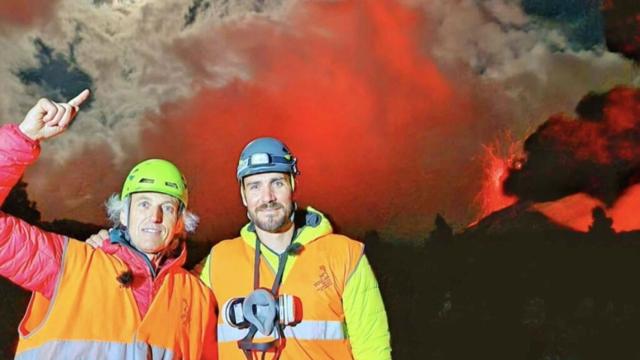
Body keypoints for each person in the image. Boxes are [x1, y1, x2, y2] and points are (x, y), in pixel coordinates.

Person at [0, 90, 217, 359]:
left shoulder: (198, 299)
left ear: (180, 223)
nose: (155, 217)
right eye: (144, 204)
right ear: (123, 215)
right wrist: (22, 139)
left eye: (168, 208)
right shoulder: (66, 265)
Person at [196, 137, 392, 359]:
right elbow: (171, 306)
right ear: (243, 195)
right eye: (255, 186)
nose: (267, 197)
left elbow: (373, 349)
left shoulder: (345, 255)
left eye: (277, 182)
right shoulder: (217, 261)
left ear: (293, 185)